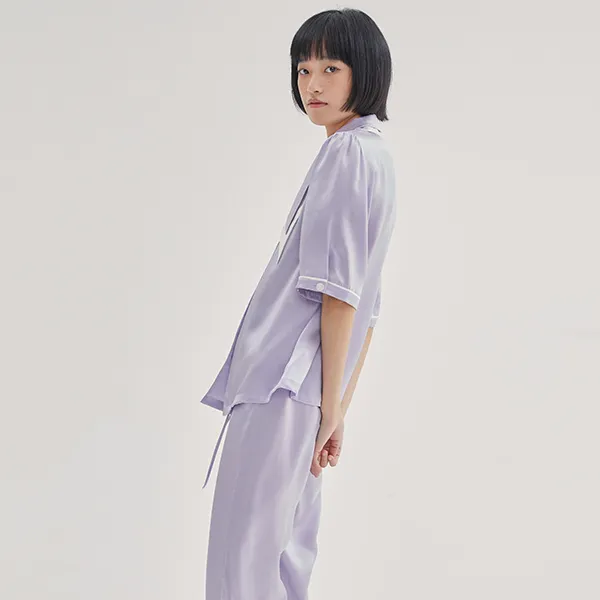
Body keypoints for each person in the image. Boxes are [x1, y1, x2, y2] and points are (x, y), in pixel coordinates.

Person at [199, 8, 396, 599]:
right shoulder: (374, 156)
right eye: (303, 69)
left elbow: (341, 295)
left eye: (331, 68)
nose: (312, 83)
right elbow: (367, 306)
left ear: (365, 72)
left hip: (281, 388)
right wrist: (335, 409)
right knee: (284, 560)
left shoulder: (347, 155)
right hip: (304, 395)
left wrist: (330, 407)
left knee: (241, 562)